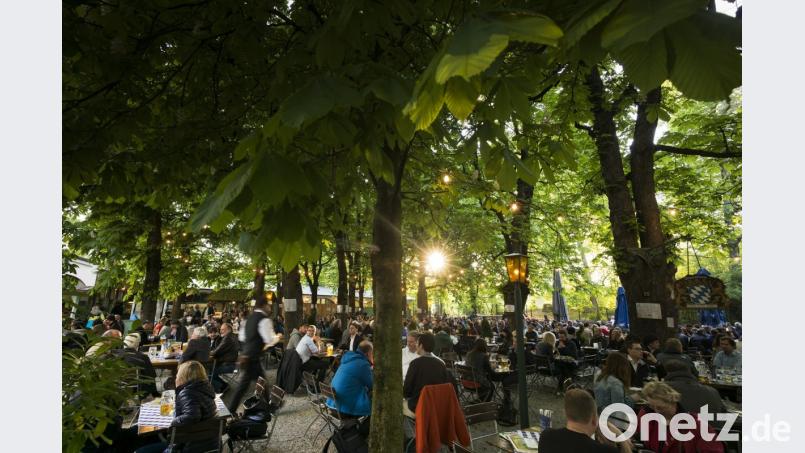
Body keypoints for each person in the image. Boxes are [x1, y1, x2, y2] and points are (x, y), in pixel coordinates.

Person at [135, 361, 218, 453]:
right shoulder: (205, 388)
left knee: (140, 451)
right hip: (209, 444)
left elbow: (192, 416)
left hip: (188, 446)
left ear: (183, 376)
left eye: (178, 374)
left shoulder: (187, 392)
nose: (176, 377)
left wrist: (173, 423)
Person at [638, 381, 724, 453]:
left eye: (661, 408)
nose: (656, 412)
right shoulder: (649, 418)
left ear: (673, 402)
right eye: (652, 407)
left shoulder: (696, 425)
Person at [227, 298, 278, 413]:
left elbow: (242, 337)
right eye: (269, 306)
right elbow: (268, 339)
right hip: (252, 357)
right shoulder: (264, 320)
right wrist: (277, 338)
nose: (270, 308)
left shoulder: (248, 319)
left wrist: (248, 349)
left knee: (262, 381)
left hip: (246, 356)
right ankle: (230, 410)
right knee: (243, 387)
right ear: (264, 306)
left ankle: (270, 406)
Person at [538, 389, 619, 453]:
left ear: (566, 414)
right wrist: (623, 441)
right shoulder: (606, 450)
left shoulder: (546, 437)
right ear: (594, 419)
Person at [403, 332, 454, 415]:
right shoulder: (441, 364)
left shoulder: (415, 363)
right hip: (438, 406)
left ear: (421, 346)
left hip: (418, 406)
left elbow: (406, 391)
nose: (416, 345)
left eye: (417, 343)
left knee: (400, 405)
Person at [327, 340, 374, 417]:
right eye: (372, 353)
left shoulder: (348, 358)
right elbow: (372, 385)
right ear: (368, 353)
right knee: (374, 394)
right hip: (345, 410)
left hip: (332, 404)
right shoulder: (363, 364)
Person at [209, 323, 239, 392]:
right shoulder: (233, 336)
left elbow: (217, 351)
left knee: (209, 374)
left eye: (222, 329)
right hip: (231, 364)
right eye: (220, 329)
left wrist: (207, 353)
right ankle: (224, 386)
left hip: (228, 365)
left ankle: (222, 387)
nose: (220, 331)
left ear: (228, 330)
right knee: (211, 371)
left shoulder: (227, 338)